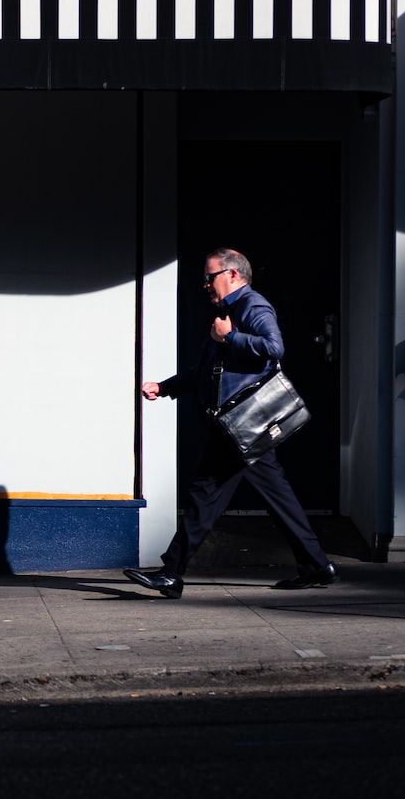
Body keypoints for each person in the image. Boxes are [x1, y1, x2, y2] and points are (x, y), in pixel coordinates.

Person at [125, 247, 336, 599]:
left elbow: (274, 348)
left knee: (204, 495)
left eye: (210, 278)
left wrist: (230, 337)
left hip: (242, 423)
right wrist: (165, 387)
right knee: (276, 495)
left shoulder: (251, 306)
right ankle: (315, 564)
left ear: (233, 274)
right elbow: (207, 371)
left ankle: (172, 572)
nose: (206, 285)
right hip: (238, 426)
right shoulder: (226, 312)